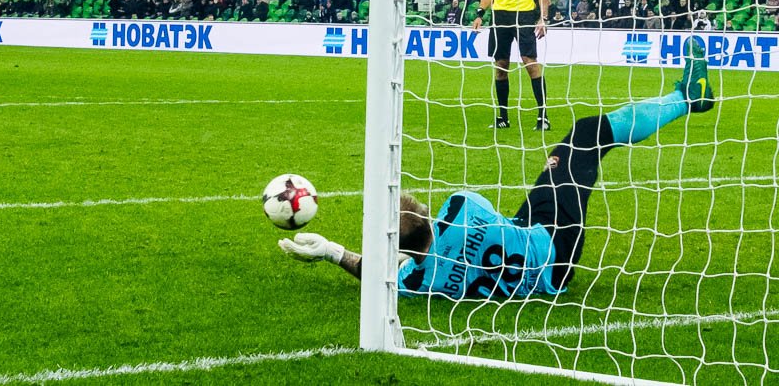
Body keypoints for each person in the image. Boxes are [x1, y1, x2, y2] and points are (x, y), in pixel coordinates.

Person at [280, 41, 715, 298]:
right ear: (415, 221)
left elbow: (379, 273)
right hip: (552, 241)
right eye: (404, 207)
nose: (405, 200)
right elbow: (408, 254)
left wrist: (333, 252)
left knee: (559, 167)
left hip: (535, 258)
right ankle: (688, 97)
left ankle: (684, 97)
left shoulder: (418, 280)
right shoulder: (458, 207)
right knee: (586, 134)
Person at [471, 0, 551, 131]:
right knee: (500, 66)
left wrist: (543, 18)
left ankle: (543, 117)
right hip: (500, 16)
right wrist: (480, 13)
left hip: (524, 15)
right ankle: (503, 117)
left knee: (530, 63)